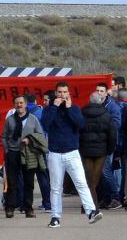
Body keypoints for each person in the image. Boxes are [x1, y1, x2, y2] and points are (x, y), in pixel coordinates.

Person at [41, 81, 102, 228]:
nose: (62, 95)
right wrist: (55, 106)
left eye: (65, 92)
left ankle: (91, 211)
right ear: (56, 93)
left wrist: (69, 109)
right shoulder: (49, 109)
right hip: (55, 153)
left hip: (72, 152)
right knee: (56, 187)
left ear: (69, 94)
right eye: (60, 92)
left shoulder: (74, 108)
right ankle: (55, 217)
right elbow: (45, 125)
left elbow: (80, 124)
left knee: (81, 183)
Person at [1, 95, 45, 219]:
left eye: (21, 103)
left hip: (29, 153)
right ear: (14, 105)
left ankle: (28, 208)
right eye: (17, 103)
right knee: (12, 182)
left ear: (26, 104)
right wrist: (7, 149)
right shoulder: (10, 119)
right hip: (13, 153)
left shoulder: (33, 119)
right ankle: (10, 208)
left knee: (29, 182)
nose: (19, 105)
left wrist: (30, 140)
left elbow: (40, 134)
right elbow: (4, 136)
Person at [79, 92, 116, 212]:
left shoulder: (82, 113)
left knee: (88, 178)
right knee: (95, 179)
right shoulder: (106, 115)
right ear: (101, 101)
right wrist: (110, 149)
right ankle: (92, 206)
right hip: (101, 151)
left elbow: (78, 131)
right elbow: (112, 134)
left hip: (85, 150)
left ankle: (88, 205)